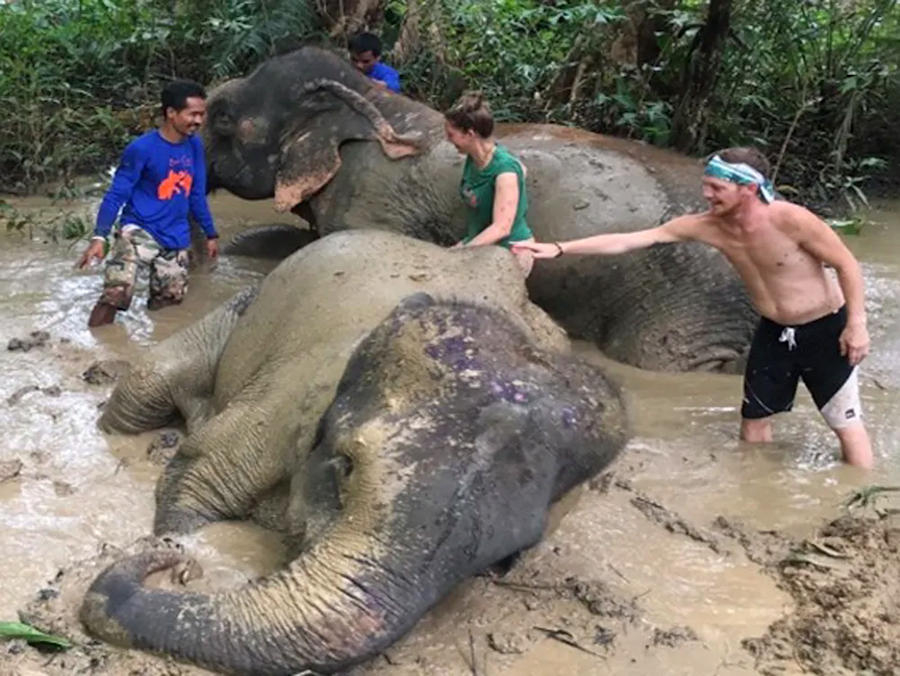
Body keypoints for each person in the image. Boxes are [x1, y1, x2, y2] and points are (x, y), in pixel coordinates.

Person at [513, 148, 873, 468]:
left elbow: (847, 264)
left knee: (844, 424)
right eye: (706, 184)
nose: (706, 194)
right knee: (754, 421)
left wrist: (856, 324)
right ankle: (757, 495)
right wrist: (559, 248)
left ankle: (862, 504)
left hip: (825, 328)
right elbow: (628, 241)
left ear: (748, 189)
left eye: (717, 188)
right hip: (774, 330)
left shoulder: (791, 219)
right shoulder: (707, 227)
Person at [78, 80, 219, 327]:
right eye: (192, 114)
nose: (198, 121)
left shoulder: (194, 145)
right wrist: (99, 237)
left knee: (169, 304)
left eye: (201, 114)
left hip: (175, 235)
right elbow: (116, 194)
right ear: (171, 113)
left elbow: (196, 193)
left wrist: (210, 233)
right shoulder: (141, 149)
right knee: (116, 294)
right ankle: (89, 349)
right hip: (139, 230)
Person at [444, 92, 535, 275]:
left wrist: (461, 253)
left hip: (509, 253)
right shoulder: (475, 157)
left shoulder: (504, 170)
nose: (447, 140)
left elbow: (502, 228)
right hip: (481, 243)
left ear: (470, 134)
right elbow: (523, 169)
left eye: (450, 135)